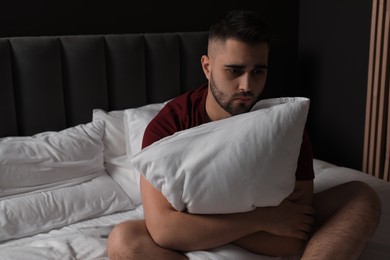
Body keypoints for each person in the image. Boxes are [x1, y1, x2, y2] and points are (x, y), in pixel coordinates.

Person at [107, 9, 381, 260]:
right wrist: (263, 219)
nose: (247, 85)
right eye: (234, 71)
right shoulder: (169, 125)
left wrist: (192, 223)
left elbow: (290, 241)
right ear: (207, 66)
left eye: (258, 71)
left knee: (361, 195)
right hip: (235, 236)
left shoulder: (282, 126)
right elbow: (165, 232)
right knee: (123, 240)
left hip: (246, 238)